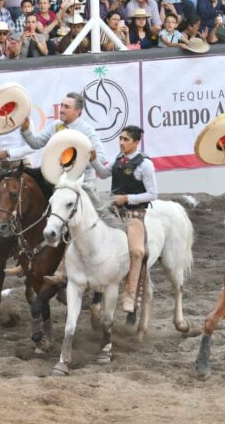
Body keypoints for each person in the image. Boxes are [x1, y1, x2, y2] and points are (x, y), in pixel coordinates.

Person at [89, 125, 156, 318]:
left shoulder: (145, 165)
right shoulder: (119, 159)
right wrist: (94, 161)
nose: (121, 142)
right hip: (113, 210)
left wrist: (127, 198)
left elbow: (153, 194)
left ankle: (130, 295)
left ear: (136, 142)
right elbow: (102, 173)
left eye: (126, 140)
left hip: (134, 215)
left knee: (136, 251)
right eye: (121, 139)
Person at [21, 92, 107, 196]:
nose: (61, 110)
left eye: (67, 107)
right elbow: (36, 143)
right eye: (61, 105)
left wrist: (75, 164)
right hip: (59, 184)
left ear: (78, 112)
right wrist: (26, 130)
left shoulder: (87, 130)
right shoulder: (55, 125)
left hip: (83, 185)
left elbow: (101, 158)